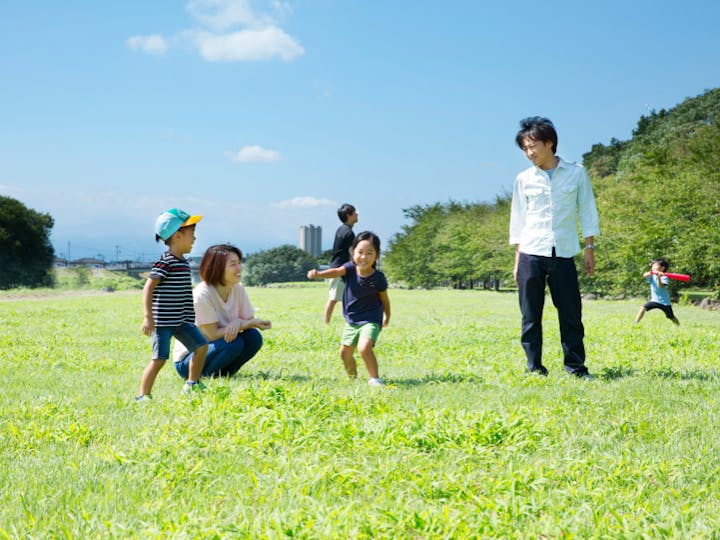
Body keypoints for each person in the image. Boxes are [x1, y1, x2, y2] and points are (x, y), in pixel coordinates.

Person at [509, 117, 600, 378]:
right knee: (530, 316)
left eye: (533, 146)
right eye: (525, 149)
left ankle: (576, 368)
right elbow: (518, 218)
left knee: (571, 314)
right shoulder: (523, 179)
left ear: (549, 143)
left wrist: (590, 247)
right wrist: (517, 260)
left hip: (563, 252)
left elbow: (587, 209)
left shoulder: (576, 172)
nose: (529, 153)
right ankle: (534, 368)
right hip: (530, 252)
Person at [138, 208, 208, 400]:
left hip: (183, 321)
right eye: (191, 234)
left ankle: (192, 384)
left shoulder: (184, 263)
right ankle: (144, 395)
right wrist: (148, 317)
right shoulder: (165, 262)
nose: (194, 239)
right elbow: (148, 287)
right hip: (163, 322)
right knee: (159, 359)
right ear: (178, 236)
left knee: (201, 347)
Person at [173, 244, 272, 378]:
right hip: (189, 361)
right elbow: (212, 334)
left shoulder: (238, 288)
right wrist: (241, 324)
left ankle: (224, 374)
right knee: (233, 344)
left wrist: (240, 322)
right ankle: (201, 375)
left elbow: (248, 319)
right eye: (233, 264)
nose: (239, 268)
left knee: (253, 337)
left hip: (218, 346)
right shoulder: (202, 294)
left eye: (239, 262)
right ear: (217, 268)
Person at [308, 231, 390, 387]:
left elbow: (384, 299)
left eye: (369, 253)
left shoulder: (378, 277)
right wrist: (319, 274)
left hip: (371, 319)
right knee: (344, 353)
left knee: (364, 347)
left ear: (376, 256)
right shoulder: (350, 269)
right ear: (353, 253)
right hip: (352, 320)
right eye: (360, 252)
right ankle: (353, 379)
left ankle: (375, 379)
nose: (363, 257)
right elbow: (336, 271)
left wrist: (387, 315)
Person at [323, 203, 358, 324]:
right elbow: (351, 253)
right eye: (355, 212)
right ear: (349, 215)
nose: (357, 214)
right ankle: (326, 323)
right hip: (339, 269)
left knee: (344, 297)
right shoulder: (348, 232)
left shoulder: (341, 229)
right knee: (333, 298)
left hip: (339, 267)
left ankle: (348, 321)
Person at [634, 258, 680, 325]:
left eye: (655, 265)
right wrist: (652, 272)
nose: (653, 267)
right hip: (654, 300)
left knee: (670, 316)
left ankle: (678, 325)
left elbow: (660, 286)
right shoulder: (652, 275)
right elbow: (644, 275)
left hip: (665, 302)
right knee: (643, 307)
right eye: (653, 265)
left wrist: (659, 277)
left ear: (662, 268)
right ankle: (636, 323)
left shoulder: (664, 277)